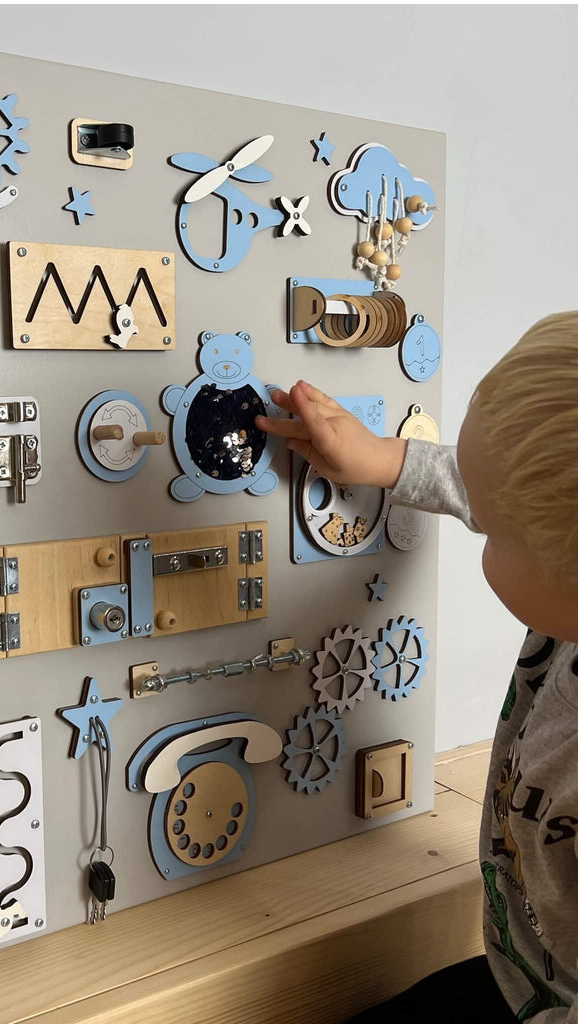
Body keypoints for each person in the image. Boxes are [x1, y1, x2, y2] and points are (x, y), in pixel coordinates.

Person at [256, 311, 578, 1023]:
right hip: (523, 971)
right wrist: (390, 462)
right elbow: (497, 485)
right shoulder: (565, 558)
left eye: (490, 529)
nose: (476, 520)